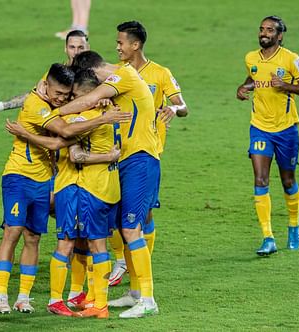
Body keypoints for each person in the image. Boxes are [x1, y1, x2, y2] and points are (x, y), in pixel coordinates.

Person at [0, 63, 129, 315]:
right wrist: (101, 118)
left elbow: (64, 137)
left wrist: (99, 112)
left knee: (34, 237)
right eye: (59, 94)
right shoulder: (37, 105)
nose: (62, 100)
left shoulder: (65, 108)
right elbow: (62, 137)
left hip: (47, 180)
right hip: (19, 175)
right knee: (13, 232)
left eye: (68, 96)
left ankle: (24, 297)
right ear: (45, 85)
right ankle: (1, 295)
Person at [55, 50, 160, 318]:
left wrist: (50, 115)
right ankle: (134, 293)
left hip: (139, 161)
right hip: (124, 164)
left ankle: (148, 299)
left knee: (131, 229)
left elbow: (89, 99)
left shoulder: (121, 76)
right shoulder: (116, 93)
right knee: (121, 230)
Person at [108, 20, 189, 298]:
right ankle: (126, 261)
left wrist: (173, 109)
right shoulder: (117, 74)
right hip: (117, 152)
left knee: (141, 215)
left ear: (136, 44)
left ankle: (141, 268)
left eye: (121, 42)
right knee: (119, 213)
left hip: (146, 152)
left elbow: (183, 105)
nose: (117, 47)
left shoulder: (160, 73)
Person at [236, 16, 299, 256]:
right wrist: (244, 87)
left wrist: (286, 86)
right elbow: (253, 77)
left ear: (279, 36)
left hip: (286, 129)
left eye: (270, 30)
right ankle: (268, 237)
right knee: (260, 179)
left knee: (288, 181)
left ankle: (293, 227)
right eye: (261, 29)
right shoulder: (251, 58)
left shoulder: (291, 59)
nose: (264, 33)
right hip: (259, 127)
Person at [0, 30, 90, 119]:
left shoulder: (95, 74)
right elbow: (34, 95)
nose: (76, 52)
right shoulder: (57, 72)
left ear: (88, 48)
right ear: (65, 48)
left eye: (80, 47)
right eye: (72, 47)